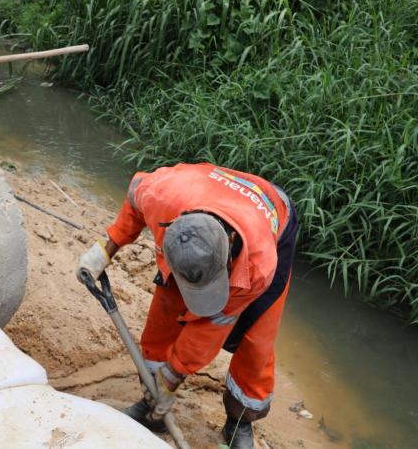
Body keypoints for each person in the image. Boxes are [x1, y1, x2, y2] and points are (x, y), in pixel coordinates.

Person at [77, 163, 298, 449]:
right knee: (166, 308)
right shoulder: (160, 194)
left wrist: (172, 378)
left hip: (269, 217)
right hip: (200, 194)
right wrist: (104, 251)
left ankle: (240, 419)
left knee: (256, 339)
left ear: (230, 244)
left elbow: (208, 332)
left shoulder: (258, 265)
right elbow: (134, 202)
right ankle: (151, 400)